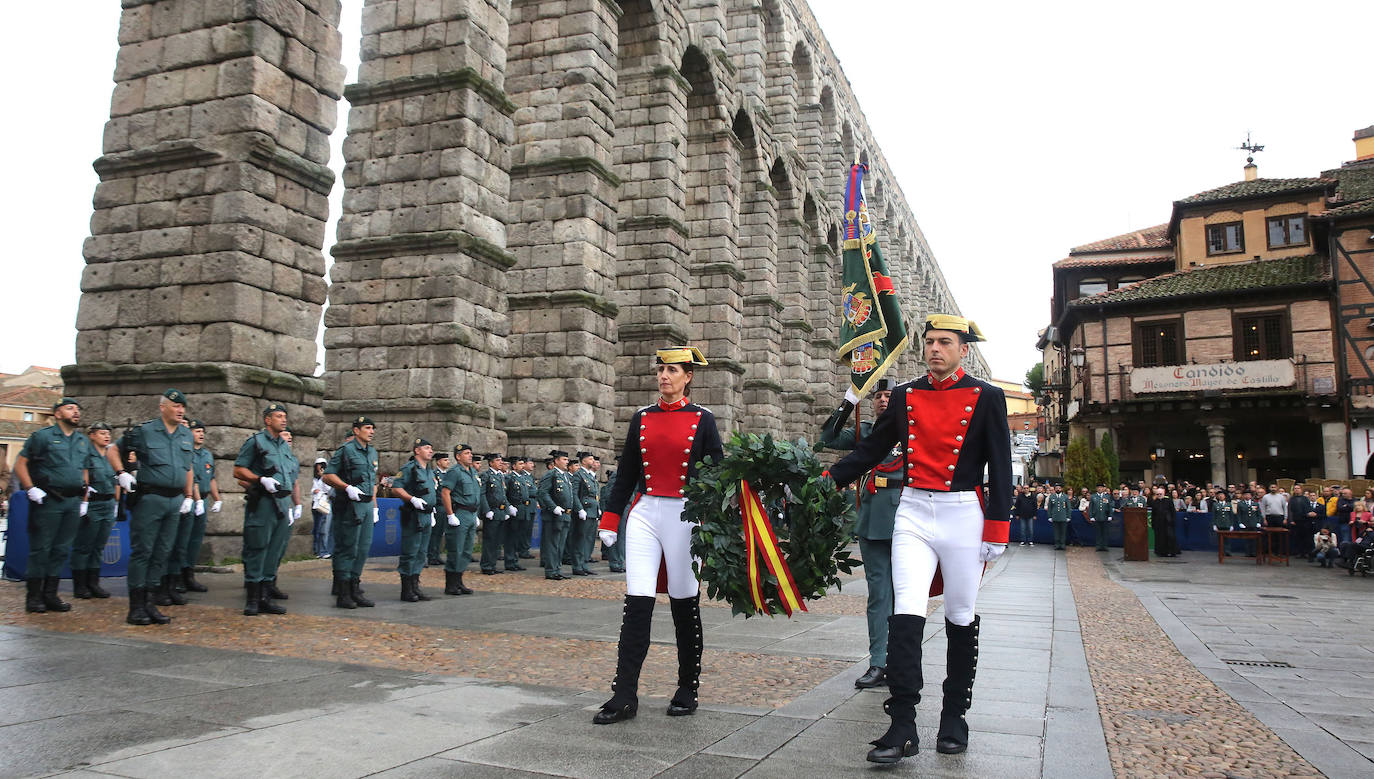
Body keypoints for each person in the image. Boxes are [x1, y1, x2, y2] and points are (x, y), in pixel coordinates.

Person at [825, 315, 1012, 764]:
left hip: (963, 513)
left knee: (960, 615)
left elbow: (1001, 466)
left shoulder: (987, 397)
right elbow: (872, 450)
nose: (934, 349)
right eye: (929, 342)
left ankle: (954, 716)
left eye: (944, 343)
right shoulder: (906, 395)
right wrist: (830, 477)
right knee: (906, 612)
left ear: (962, 349)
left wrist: (998, 527)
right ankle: (902, 722)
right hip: (912, 510)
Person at [593, 345, 723, 725]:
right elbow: (627, 471)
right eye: (660, 370)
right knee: (637, 602)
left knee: (685, 601)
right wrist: (611, 517)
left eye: (672, 370)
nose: (664, 376)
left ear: (688, 377)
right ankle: (624, 693)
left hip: (685, 515)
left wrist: (716, 522)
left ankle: (687, 686)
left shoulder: (704, 419)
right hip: (647, 513)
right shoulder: (641, 417)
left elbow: (716, 473)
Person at [820, 377, 899, 689]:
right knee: (879, 596)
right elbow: (827, 436)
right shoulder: (865, 432)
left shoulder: (909, 429)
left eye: (889, 395)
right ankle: (879, 662)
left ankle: (903, 661)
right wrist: (849, 400)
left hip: (907, 517)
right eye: (878, 396)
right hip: (872, 520)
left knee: (906, 595)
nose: (882, 400)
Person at [115, 389, 196, 625]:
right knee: (144, 551)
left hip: (174, 500)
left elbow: (187, 466)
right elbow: (113, 450)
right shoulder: (144, 431)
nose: (181, 410)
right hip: (150, 498)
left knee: (163, 552)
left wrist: (188, 495)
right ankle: (136, 606)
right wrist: (121, 473)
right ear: (163, 407)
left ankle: (150, 602)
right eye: (176, 406)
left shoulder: (186, 435)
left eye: (183, 407)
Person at [15, 397, 96, 613]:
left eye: (78, 409)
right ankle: (34, 596)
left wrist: (84, 499)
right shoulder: (42, 437)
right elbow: (21, 464)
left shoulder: (81, 441)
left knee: (61, 549)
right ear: (57, 414)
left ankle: (50, 594)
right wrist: (30, 488)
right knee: (42, 548)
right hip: (50, 499)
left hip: (72, 500)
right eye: (70, 408)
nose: (76, 412)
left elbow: (85, 470)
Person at [231, 403, 297, 616]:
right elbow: (238, 469)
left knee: (274, 550)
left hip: (282, 502)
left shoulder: (284, 446)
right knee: (257, 547)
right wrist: (260, 479)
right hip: (263, 503)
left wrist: (293, 504)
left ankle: (266, 596)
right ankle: (252, 598)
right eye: (278, 416)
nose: (283, 419)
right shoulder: (256, 442)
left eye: (284, 416)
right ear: (267, 420)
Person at [324, 416, 380, 609]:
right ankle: (343, 591)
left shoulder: (372, 452)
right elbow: (328, 475)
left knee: (363, 548)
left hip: (365, 506)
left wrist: (374, 506)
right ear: (356, 430)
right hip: (349, 506)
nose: (371, 431)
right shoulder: (346, 451)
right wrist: (346, 487)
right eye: (367, 428)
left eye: (373, 428)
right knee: (348, 548)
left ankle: (355, 587)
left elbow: (372, 482)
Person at [71, 421, 119, 600]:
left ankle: (93, 582)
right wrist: (83, 502)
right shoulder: (86, 454)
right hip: (92, 503)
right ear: (91, 435)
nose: (106, 436)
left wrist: (116, 503)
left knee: (99, 546)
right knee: (84, 545)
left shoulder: (110, 455)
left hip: (107, 503)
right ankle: (80, 584)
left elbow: (116, 480)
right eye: (102, 433)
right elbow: (84, 479)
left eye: (108, 433)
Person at [391, 438, 438, 602]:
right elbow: (396, 487)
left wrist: (432, 511)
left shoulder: (429, 470)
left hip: (426, 514)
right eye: (427, 448)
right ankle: (406, 589)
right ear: (417, 450)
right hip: (413, 515)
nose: (430, 451)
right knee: (410, 551)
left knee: (421, 553)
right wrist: (412, 499)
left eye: (431, 448)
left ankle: (415, 586)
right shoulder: (409, 468)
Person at [440, 444, 480, 595]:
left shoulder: (472, 473)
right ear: (458, 456)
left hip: (470, 513)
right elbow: (445, 493)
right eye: (466, 453)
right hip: (460, 513)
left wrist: (475, 515)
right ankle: (450, 584)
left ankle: (459, 581)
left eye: (470, 453)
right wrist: (450, 514)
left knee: (467, 550)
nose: (470, 455)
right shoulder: (454, 472)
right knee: (456, 549)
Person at [537, 450, 578, 580]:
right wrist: (553, 507)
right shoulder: (551, 474)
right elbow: (543, 493)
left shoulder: (565, 476)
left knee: (560, 545)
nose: (567, 462)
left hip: (565, 514)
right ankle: (550, 570)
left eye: (567, 460)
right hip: (554, 515)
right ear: (556, 461)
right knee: (552, 543)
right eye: (564, 460)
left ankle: (556, 569)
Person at [479, 453, 511, 575]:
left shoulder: (501, 476)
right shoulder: (486, 476)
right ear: (491, 463)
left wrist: (507, 510)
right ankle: (486, 565)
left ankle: (492, 564)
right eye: (497, 460)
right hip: (492, 511)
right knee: (489, 540)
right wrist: (486, 510)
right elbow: (482, 494)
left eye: (501, 460)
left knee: (497, 541)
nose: (500, 462)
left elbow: (503, 495)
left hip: (501, 511)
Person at [574, 451, 602, 574]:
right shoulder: (578, 475)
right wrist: (579, 509)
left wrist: (598, 508)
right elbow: (574, 494)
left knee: (589, 540)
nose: (593, 461)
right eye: (590, 459)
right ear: (584, 461)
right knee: (580, 539)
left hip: (592, 511)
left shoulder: (590, 476)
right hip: (584, 510)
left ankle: (584, 564)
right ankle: (578, 566)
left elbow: (595, 494)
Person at [425, 451, 450, 565]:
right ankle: (431, 555)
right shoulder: (435, 474)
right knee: (435, 533)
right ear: (439, 462)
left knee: (440, 532)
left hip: (446, 507)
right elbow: (434, 491)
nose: (448, 462)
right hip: (438, 506)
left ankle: (437, 554)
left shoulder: (448, 475)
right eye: (445, 460)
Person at [311, 458, 333, 559]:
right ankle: (317, 550)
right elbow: (312, 488)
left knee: (325, 528)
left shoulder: (326, 477)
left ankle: (324, 550)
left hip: (325, 504)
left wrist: (323, 477)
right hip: (316, 504)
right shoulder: (314, 478)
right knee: (317, 528)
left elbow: (329, 489)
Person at [1150, 486, 1179, 557]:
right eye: (1158, 494)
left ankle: (1171, 551)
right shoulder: (1155, 502)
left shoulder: (1168, 501)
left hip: (1167, 522)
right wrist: (1153, 523)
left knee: (1170, 537)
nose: (1159, 495)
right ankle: (1161, 552)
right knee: (1159, 538)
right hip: (1158, 523)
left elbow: (1173, 512)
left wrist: (1173, 520)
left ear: (1164, 494)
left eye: (1160, 494)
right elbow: (1153, 514)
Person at [1087, 483, 1113, 551]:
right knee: (1098, 532)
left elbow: (1110, 507)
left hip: (1105, 516)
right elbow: (1090, 508)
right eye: (1098, 487)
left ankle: (1105, 546)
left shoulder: (1107, 496)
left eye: (1101, 487)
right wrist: (1091, 516)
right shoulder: (1093, 496)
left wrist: (1110, 515)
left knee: (1105, 532)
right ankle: (1098, 546)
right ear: (1096, 489)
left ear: (1104, 488)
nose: (1100, 489)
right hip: (1097, 517)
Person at [1046, 484, 1071, 550]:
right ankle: (1057, 544)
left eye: (1059, 488)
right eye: (1056, 488)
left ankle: (1062, 544)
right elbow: (1049, 508)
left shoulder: (1065, 497)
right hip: (1055, 517)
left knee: (1063, 531)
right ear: (1054, 489)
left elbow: (1068, 508)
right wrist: (1049, 516)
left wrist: (1068, 516)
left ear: (1061, 489)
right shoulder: (1052, 496)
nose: (1058, 489)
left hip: (1063, 516)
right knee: (1056, 531)